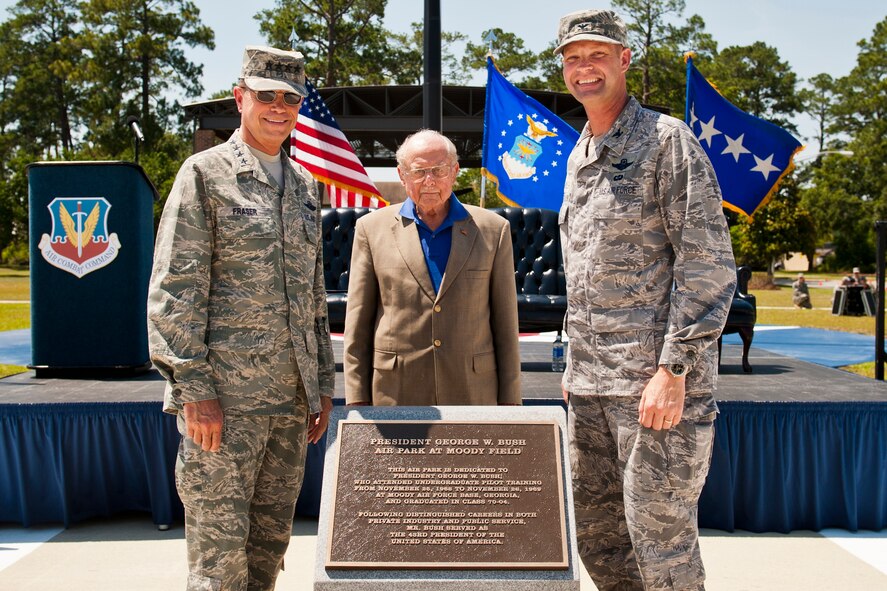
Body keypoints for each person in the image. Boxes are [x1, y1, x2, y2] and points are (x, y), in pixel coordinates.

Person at [555, 10, 736, 591]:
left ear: (624, 60)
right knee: (601, 541)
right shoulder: (580, 151)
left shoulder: (666, 141)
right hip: (591, 385)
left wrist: (674, 369)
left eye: (597, 56)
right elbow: (582, 266)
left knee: (661, 544)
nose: (585, 69)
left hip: (655, 388)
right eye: (573, 58)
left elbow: (707, 266)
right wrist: (575, 362)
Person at [147, 45, 335, 591]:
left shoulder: (303, 187)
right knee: (218, 565)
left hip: (288, 406)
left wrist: (321, 382)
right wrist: (195, 389)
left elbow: (313, 295)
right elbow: (176, 289)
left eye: (290, 98)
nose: (278, 107)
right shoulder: (205, 175)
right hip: (223, 407)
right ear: (240, 98)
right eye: (265, 95)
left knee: (266, 556)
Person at [344, 129, 521, 406]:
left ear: (455, 172)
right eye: (419, 171)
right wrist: (356, 400)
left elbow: (506, 327)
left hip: (473, 391)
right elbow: (358, 326)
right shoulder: (370, 229)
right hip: (395, 392)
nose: (429, 181)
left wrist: (511, 405)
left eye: (439, 170)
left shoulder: (493, 230)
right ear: (402, 175)